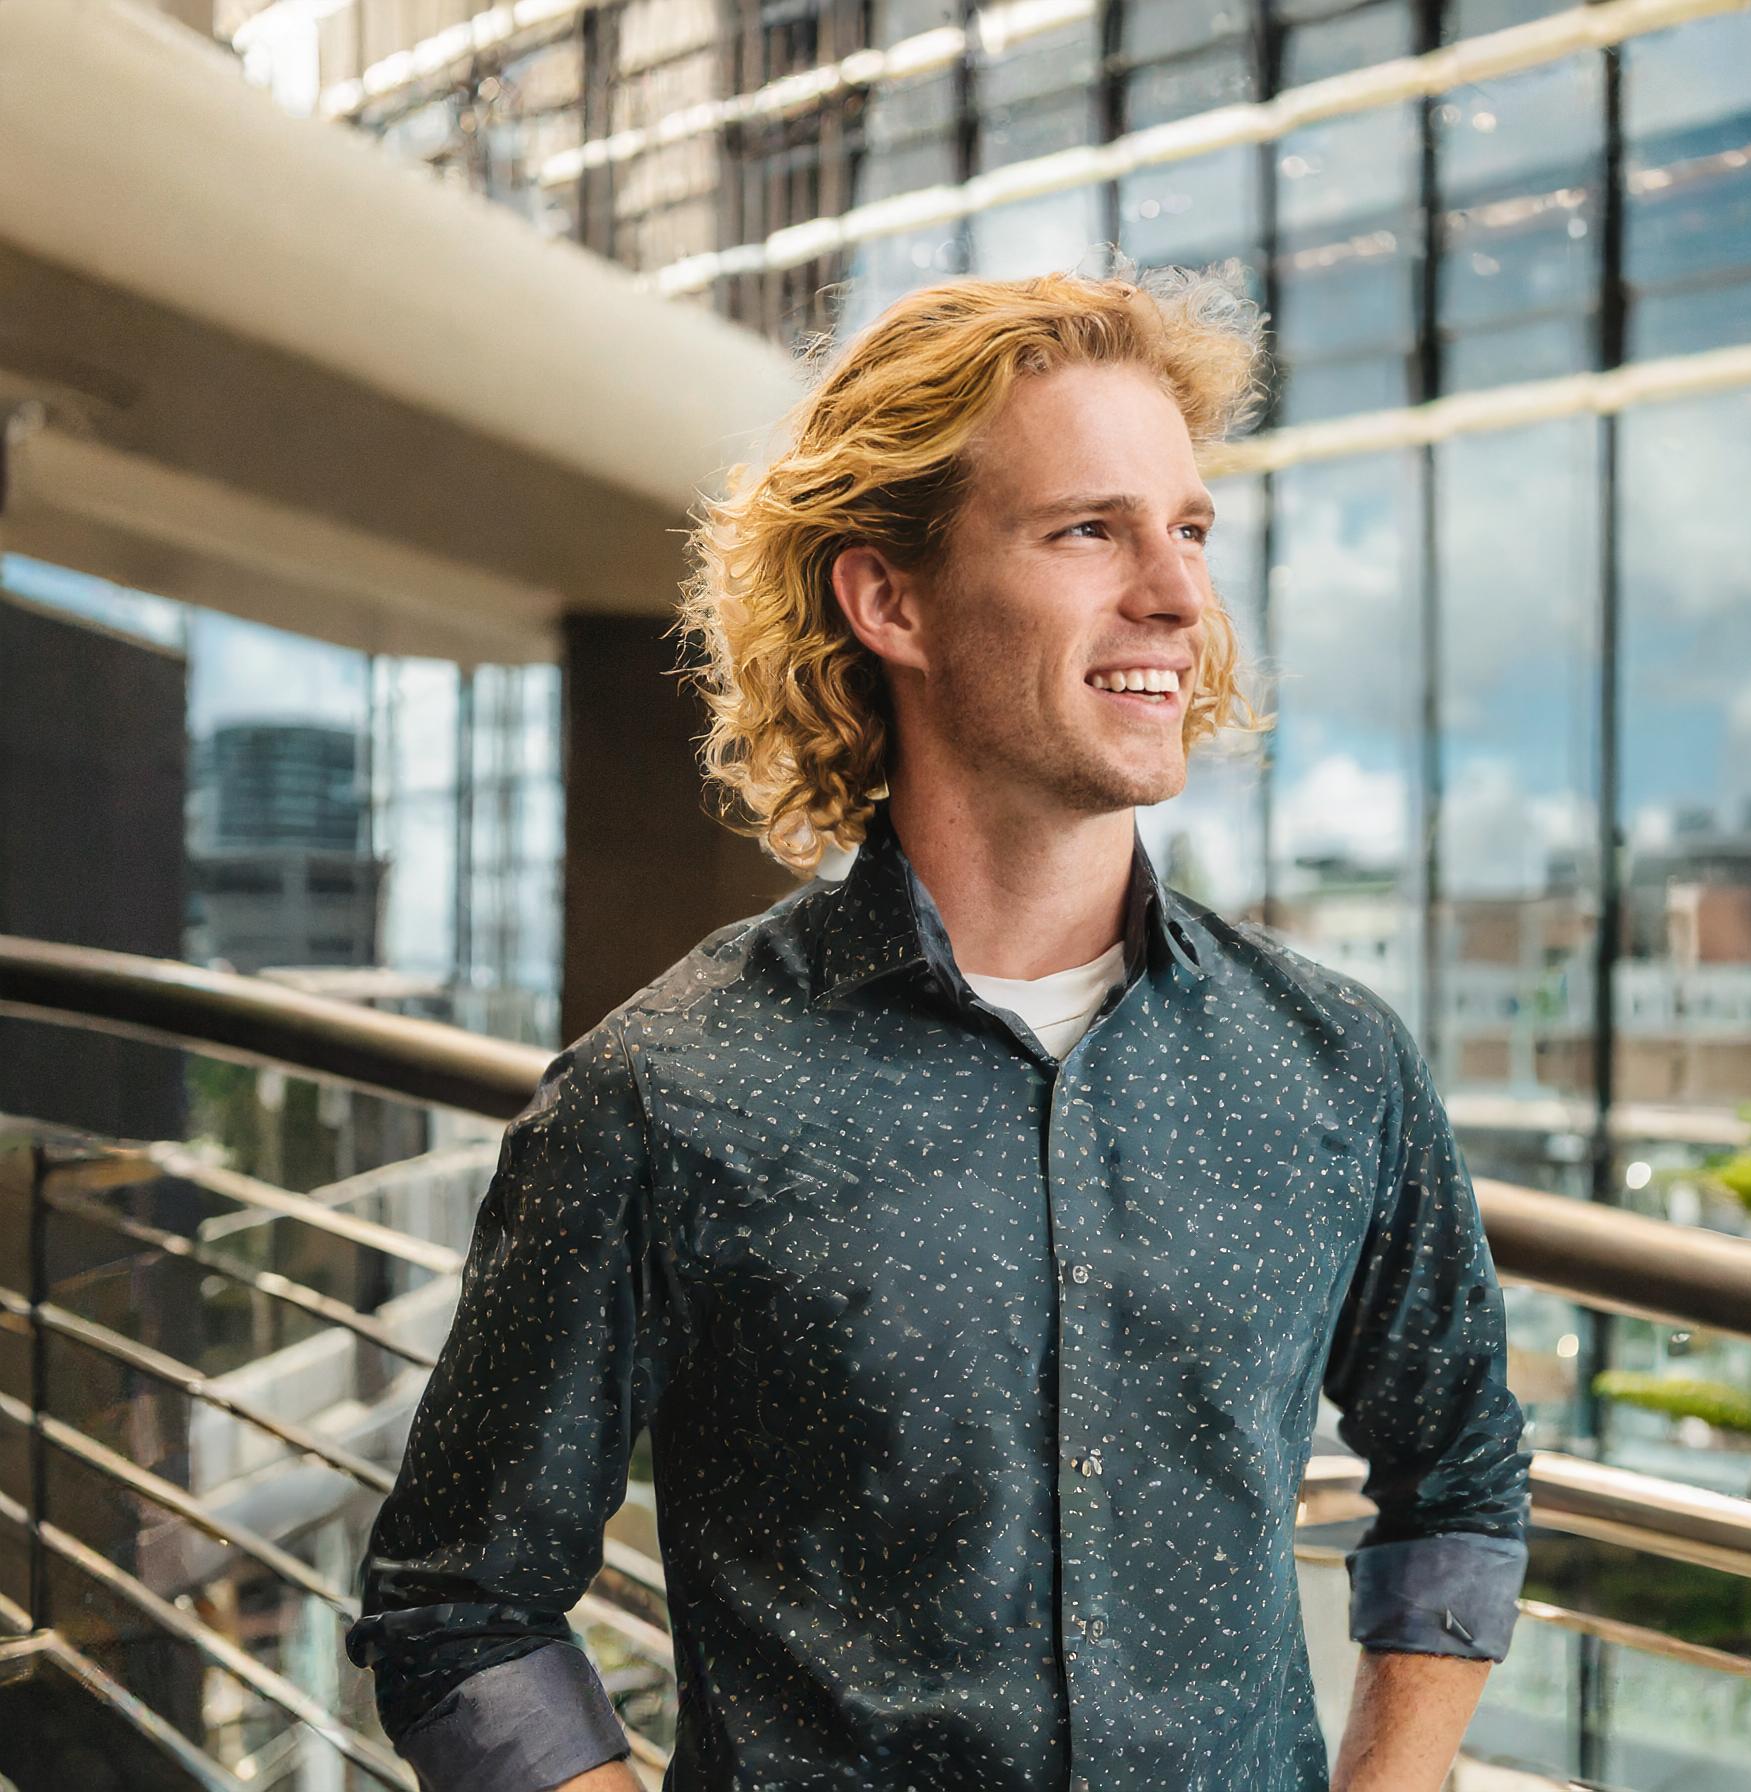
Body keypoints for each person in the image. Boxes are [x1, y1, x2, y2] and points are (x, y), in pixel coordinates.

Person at [346, 257, 1532, 1792]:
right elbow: (459, 1607)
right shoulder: (661, 1096)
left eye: (1187, 530)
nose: (1177, 596)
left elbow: (1459, 1479)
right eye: (1088, 530)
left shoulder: (1335, 1068)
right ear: (890, 599)